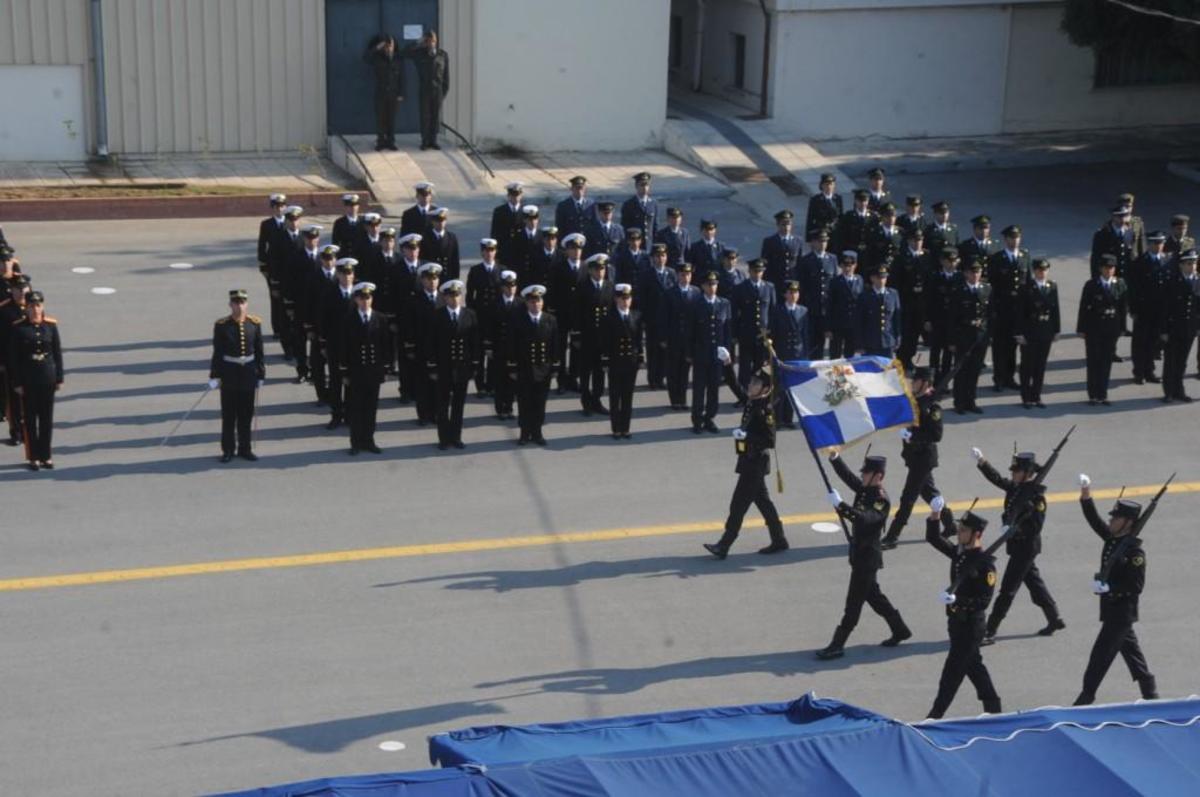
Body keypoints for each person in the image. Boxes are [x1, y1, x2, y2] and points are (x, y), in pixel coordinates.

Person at [817, 452, 911, 659]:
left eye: (866, 473)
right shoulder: (865, 489)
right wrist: (835, 458)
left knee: (853, 603)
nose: (862, 476)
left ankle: (837, 644)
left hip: (867, 559)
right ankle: (900, 629)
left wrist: (841, 506)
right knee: (874, 597)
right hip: (859, 554)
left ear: (878, 476)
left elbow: (865, 519)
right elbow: (849, 477)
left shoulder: (880, 500)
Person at [1073, 475, 1158, 705]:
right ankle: (1150, 692)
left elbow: (1136, 586)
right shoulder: (1113, 540)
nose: (1111, 520)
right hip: (1112, 610)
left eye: (1117, 517)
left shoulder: (1134, 554)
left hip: (1121, 613)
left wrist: (1109, 587)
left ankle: (1085, 698)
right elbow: (1094, 520)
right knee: (1131, 652)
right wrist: (1085, 493)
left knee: (1099, 657)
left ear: (1129, 522)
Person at [972, 449, 1064, 644]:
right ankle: (1054, 618)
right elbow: (998, 479)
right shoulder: (1016, 487)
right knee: (1034, 583)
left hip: (1025, 547)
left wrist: (1015, 528)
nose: (1013, 474)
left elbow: (1036, 527)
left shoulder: (1036, 498)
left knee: (1008, 589)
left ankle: (990, 630)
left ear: (1028, 473)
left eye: (1017, 471)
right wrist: (982, 461)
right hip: (1017, 547)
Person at [924, 501, 1002, 719]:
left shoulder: (985, 565)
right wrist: (935, 514)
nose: (959, 533)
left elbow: (984, 601)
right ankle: (993, 706)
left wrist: (957, 599)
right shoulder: (961, 555)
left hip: (971, 626)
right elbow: (934, 539)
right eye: (959, 529)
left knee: (952, 673)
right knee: (974, 666)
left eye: (964, 531)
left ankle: (934, 716)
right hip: (956, 623)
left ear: (976, 534)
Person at [703, 364, 789, 558]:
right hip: (748, 461)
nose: (751, 385)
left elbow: (770, 441)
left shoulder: (765, 410)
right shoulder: (752, 401)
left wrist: (746, 436)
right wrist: (726, 364)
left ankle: (724, 545)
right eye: (752, 382)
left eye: (756, 383)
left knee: (738, 505)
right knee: (763, 502)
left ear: (766, 389)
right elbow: (734, 386)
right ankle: (779, 539)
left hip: (755, 463)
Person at [882, 366, 954, 549]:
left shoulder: (932, 407)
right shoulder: (915, 399)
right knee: (928, 492)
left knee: (908, 498)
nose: (912, 383)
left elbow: (936, 435)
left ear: (925, 383)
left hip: (924, 457)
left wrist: (912, 436)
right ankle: (951, 524)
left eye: (916, 381)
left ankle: (892, 536)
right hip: (914, 456)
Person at [10, 290, 64, 470]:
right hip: (28, 380)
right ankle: (33, 457)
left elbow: (57, 353)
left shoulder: (50, 326)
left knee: (47, 420)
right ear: (27, 308)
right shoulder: (19, 328)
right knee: (31, 420)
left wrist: (59, 377)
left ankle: (46, 456)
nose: (35, 310)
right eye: (32, 306)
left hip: (47, 378)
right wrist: (17, 383)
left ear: (43, 306)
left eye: (38, 306)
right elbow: (14, 359)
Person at [208, 289, 263, 464]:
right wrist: (215, 375)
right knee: (229, 415)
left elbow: (259, 351)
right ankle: (228, 450)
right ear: (230, 304)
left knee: (246, 415)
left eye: (242, 303)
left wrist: (261, 373)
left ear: (246, 304)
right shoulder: (222, 325)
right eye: (236, 303)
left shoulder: (254, 324)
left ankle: (245, 448)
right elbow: (218, 352)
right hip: (229, 373)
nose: (239, 306)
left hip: (248, 373)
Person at [429, 279, 479, 450]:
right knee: (442, 405)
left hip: (462, 367)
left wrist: (474, 365)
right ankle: (444, 438)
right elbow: (432, 343)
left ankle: (456, 437)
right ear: (445, 298)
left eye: (457, 295)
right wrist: (433, 366)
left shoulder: (470, 314)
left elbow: (474, 343)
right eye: (451, 296)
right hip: (444, 367)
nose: (455, 299)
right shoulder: (437, 315)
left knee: (458, 405)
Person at [341, 283, 390, 455]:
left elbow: (386, 346)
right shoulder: (348, 319)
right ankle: (355, 442)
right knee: (356, 409)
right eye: (361, 298)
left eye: (367, 298)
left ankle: (369, 440)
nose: (365, 301)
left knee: (371, 408)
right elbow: (344, 347)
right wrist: (345, 371)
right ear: (356, 300)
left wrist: (385, 368)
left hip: (373, 370)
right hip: (356, 371)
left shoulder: (380, 319)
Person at [510, 285, 559, 445]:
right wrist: (512, 366)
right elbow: (513, 345)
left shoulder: (550, 320)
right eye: (532, 302)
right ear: (526, 303)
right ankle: (524, 433)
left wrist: (555, 367)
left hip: (543, 369)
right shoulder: (519, 320)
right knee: (524, 403)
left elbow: (555, 346)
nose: (535, 304)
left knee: (540, 403)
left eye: (538, 301)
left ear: (542, 302)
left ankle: (537, 432)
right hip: (525, 369)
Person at [1077, 254, 1128, 406]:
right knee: (1093, 362)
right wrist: (1081, 329)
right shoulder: (1091, 285)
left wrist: (1123, 328)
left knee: (1106, 362)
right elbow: (1083, 308)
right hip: (1094, 328)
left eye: (1111, 268)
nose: (1109, 271)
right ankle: (1092, 395)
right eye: (1106, 268)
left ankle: (1103, 394)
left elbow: (1122, 308)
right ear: (1100, 268)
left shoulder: (1120, 284)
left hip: (1111, 329)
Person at [986, 224, 1031, 392]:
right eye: (1011, 238)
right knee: (999, 346)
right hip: (1002, 308)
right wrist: (992, 310)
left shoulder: (1025, 257)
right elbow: (992, 286)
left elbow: (1028, 283)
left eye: (1017, 237)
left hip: (1018, 310)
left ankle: (1010, 377)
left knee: (1013, 345)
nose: (1015, 241)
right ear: (1006, 240)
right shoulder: (997, 258)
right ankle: (998, 378)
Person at [689, 271, 733, 434]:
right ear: (703, 286)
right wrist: (690, 353)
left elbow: (728, 330)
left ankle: (710, 418)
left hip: (717, 354)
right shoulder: (696, 304)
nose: (712, 287)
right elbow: (690, 331)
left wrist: (728, 353)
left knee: (714, 389)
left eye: (714, 284)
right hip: (701, 353)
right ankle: (697, 420)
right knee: (699, 389)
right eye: (709, 284)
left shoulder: (724, 304)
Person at [319, 259, 359, 430]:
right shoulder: (329, 293)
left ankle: (350, 415)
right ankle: (336, 415)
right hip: (335, 345)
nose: (347, 277)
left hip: (353, 347)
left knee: (352, 382)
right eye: (343, 273)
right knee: (336, 381)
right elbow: (323, 319)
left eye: (350, 273)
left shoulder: (359, 295)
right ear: (338, 274)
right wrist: (323, 343)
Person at [949, 258, 992, 414]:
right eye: (972, 272)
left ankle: (971, 401)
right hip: (963, 336)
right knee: (961, 371)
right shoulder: (958, 290)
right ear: (966, 273)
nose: (975, 275)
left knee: (975, 370)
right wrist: (952, 341)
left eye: (978, 272)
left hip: (980, 336)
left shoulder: (986, 289)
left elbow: (990, 314)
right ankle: (959, 402)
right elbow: (952, 318)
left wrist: (988, 334)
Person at [1016, 258, 1060, 409]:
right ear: (1034, 271)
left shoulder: (1052, 286)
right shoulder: (1026, 287)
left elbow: (1055, 310)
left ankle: (1037, 396)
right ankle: (1026, 397)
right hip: (1030, 330)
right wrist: (1019, 333)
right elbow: (1020, 312)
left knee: (1040, 366)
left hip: (1045, 329)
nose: (1042, 273)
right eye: (1039, 270)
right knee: (1027, 365)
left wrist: (1056, 330)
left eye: (1045, 270)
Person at [1128, 231, 1170, 385]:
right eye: (1155, 243)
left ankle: (1149, 370)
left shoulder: (1167, 261)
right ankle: (1138, 372)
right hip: (1143, 309)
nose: (1158, 246)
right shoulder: (1140, 262)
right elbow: (1133, 288)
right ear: (1149, 244)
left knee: (1154, 341)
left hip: (1160, 310)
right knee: (1140, 341)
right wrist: (1132, 309)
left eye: (1161, 243)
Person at [403, 263, 443, 425]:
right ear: (422, 280)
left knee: (438, 383)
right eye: (428, 279)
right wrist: (410, 346)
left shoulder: (444, 298)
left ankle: (436, 413)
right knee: (422, 382)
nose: (432, 282)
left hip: (440, 348)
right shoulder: (415, 300)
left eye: (435, 278)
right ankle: (423, 414)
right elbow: (409, 325)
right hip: (421, 347)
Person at [1160, 249, 1200, 403]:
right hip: (1173, 327)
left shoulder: (1198, 281)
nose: (1192, 266)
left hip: (1189, 328)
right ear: (1181, 265)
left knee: (1182, 361)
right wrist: (1163, 330)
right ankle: (1168, 392)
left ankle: (1179, 390)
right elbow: (1164, 308)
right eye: (1189, 263)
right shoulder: (1172, 282)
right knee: (1170, 360)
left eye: (1194, 263)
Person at [576, 254, 614, 415]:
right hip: (587, 335)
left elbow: (612, 312)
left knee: (600, 370)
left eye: (603, 269)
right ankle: (586, 401)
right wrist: (576, 335)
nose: (600, 272)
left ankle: (597, 399)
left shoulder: (610, 286)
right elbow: (575, 313)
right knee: (585, 370)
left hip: (603, 336)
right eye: (597, 269)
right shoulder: (582, 287)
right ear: (590, 270)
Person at [604, 284, 643, 439]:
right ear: (616, 299)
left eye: (628, 298)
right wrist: (605, 361)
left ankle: (625, 428)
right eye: (622, 298)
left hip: (630, 361)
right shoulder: (609, 317)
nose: (625, 301)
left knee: (628, 396)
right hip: (615, 361)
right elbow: (605, 341)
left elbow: (639, 339)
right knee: (615, 396)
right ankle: (616, 429)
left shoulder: (636, 315)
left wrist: (640, 357)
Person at [638, 241, 677, 391]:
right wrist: (644, 319)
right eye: (657, 256)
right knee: (653, 350)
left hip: (668, 319)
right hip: (652, 319)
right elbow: (642, 298)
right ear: (652, 258)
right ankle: (653, 379)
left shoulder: (672, 273)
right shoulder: (646, 274)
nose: (660, 259)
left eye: (663, 255)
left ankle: (662, 377)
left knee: (665, 351)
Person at [550, 233, 586, 393]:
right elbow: (554, 291)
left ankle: (574, 378)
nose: (576, 252)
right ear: (567, 251)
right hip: (562, 314)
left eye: (579, 249)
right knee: (561, 347)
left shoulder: (586, 268)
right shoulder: (558, 267)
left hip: (579, 315)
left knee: (577, 347)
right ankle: (561, 380)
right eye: (573, 249)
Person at [769, 280, 808, 429]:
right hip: (782, 353)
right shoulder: (778, 310)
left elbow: (805, 335)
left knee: (792, 388)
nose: (793, 295)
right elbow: (773, 333)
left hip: (797, 354)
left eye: (796, 293)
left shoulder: (803, 310)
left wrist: (805, 356)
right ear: (785, 294)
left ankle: (788, 418)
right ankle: (777, 418)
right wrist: (773, 355)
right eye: (790, 292)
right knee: (779, 388)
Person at [732, 259, 775, 391]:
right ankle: (743, 394)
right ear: (749, 271)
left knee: (761, 365)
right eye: (755, 271)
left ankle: (759, 394)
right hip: (746, 332)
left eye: (760, 271)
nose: (757, 274)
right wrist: (735, 334)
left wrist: (773, 332)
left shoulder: (769, 287)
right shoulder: (740, 288)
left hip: (763, 334)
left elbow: (772, 311)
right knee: (744, 366)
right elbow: (734, 313)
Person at [467, 238, 502, 398]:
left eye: (492, 250)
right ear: (482, 252)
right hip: (480, 316)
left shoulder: (502, 270)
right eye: (486, 251)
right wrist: (472, 314)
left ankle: (493, 384)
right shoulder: (475, 270)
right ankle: (480, 386)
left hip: (495, 317)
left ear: (495, 252)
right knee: (479, 353)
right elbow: (470, 295)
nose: (489, 253)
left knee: (494, 353)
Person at [0, 276, 32, 447]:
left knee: (30, 400)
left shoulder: (34, 307)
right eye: (17, 289)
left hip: (31, 363)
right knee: (13, 401)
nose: (21, 292)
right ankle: (16, 432)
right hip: (12, 363)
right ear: (11, 290)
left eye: (24, 288)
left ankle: (29, 431)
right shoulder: (4, 311)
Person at [798, 229, 837, 359]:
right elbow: (801, 286)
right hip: (810, 307)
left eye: (825, 241)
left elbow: (834, 283)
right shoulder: (805, 260)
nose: (823, 244)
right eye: (820, 241)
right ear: (813, 243)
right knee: (809, 342)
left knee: (822, 343)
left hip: (826, 308)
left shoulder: (832, 259)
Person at [926, 247, 962, 385]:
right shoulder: (935, 276)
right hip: (937, 319)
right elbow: (928, 299)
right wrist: (927, 319)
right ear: (942, 261)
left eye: (954, 261)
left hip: (952, 321)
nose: (951, 264)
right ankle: (932, 380)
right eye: (948, 261)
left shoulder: (960, 277)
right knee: (935, 352)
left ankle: (944, 382)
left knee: (948, 353)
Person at [665, 263, 699, 410]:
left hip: (689, 339)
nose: (685, 277)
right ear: (678, 276)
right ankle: (674, 400)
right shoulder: (669, 293)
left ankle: (683, 399)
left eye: (688, 274)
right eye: (683, 274)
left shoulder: (696, 292)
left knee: (685, 370)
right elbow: (663, 316)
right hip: (674, 337)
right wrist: (663, 338)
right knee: (673, 370)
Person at [256, 193, 290, 340]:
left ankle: (289, 326)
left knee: (289, 297)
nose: (279, 209)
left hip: (288, 267)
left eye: (282, 206)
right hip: (273, 267)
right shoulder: (266, 224)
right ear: (272, 208)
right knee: (275, 298)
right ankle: (277, 328)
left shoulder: (290, 222)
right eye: (276, 206)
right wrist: (263, 267)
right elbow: (262, 245)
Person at [363, 34, 405, 152]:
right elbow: (365, 58)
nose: (388, 48)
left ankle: (391, 142)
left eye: (390, 46)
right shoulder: (377, 57)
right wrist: (377, 47)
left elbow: (402, 77)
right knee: (380, 119)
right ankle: (380, 142)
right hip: (380, 93)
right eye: (386, 46)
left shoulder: (398, 59)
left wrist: (401, 93)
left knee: (391, 119)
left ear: (393, 46)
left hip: (394, 94)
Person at [489, 271, 521, 420]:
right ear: (502, 287)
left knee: (512, 379)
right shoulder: (494, 303)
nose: (510, 289)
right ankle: (500, 408)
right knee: (500, 379)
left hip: (515, 348)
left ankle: (509, 407)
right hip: (499, 347)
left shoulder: (521, 303)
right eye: (507, 286)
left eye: (513, 286)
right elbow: (488, 327)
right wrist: (488, 347)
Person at [410, 30, 449, 151]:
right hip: (425, 91)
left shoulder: (442, 55)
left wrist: (444, 92)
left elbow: (446, 76)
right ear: (425, 42)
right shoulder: (419, 54)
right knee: (425, 117)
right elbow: (405, 52)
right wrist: (419, 41)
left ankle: (433, 141)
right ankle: (425, 141)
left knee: (435, 117)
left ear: (436, 41)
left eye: (433, 40)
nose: (431, 43)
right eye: (428, 41)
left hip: (437, 91)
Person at [853, 264, 901, 358]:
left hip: (888, 341)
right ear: (872, 278)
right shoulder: (864, 296)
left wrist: (898, 337)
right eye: (879, 278)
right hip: (870, 342)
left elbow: (896, 318)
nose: (882, 280)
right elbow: (858, 322)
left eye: (884, 277)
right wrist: (859, 344)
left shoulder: (893, 294)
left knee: (887, 370)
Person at [827, 251, 862, 358]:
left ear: (855, 266)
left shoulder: (859, 280)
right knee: (835, 353)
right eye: (845, 265)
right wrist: (828, 327)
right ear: (841, 266)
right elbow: (829, 305)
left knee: (850, 354)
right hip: (838, 323)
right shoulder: (835, 281)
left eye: (850, 265)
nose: (848, 268)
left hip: (853, 323)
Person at [761, 210, 802, 289]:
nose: (786, 227)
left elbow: (799, 263)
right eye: (783, 224)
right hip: (776, 281)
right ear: (778, 225)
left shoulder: (798, 241)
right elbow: (765, 263)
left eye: (788, 224)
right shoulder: (770, 241)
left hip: (792, 281)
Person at [491, 182, 526, 266]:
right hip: (505, 252)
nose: (514, 197)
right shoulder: (499, 211)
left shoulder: (525, 211)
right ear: (508, 196)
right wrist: (495, 255)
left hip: (521, 252)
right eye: (512, 195)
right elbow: (494, 234)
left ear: (521, 195)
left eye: (517, 195)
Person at [423, 207, 461, 280]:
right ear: (432, 221)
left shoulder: (451, 237)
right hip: (431, 277)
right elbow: (422, 259)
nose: (441, 223)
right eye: (438, 221)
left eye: (443, 220)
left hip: (447, 276)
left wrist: (455, 278)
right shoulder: (425, 238)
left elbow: (455, 260)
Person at [620, 172, 657, 243]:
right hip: (634, 242)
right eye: (642, 185)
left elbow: (655, 226)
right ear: (636, 186)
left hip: (649, 243)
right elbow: (625, 227)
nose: (645, 188)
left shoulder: (653, 203)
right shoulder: (629, 204)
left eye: (647, 185)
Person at [804, 174, 842, 239]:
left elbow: (840, 217)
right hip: (821, 234)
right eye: (826, 184)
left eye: (831, 184)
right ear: (822, 185)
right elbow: (810, 218)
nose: (829, 187)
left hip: (834, 233)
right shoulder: (816, 200)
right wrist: (809, 238)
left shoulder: (838, 199)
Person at [331, 194, 364, 258]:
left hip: (361, 258)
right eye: (350, 206)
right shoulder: (339, 223)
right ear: (346, 207)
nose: (353, 208)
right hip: (345, 257)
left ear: (358, 206)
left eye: (355, 205)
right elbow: (335, 243)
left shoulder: (363, 222)